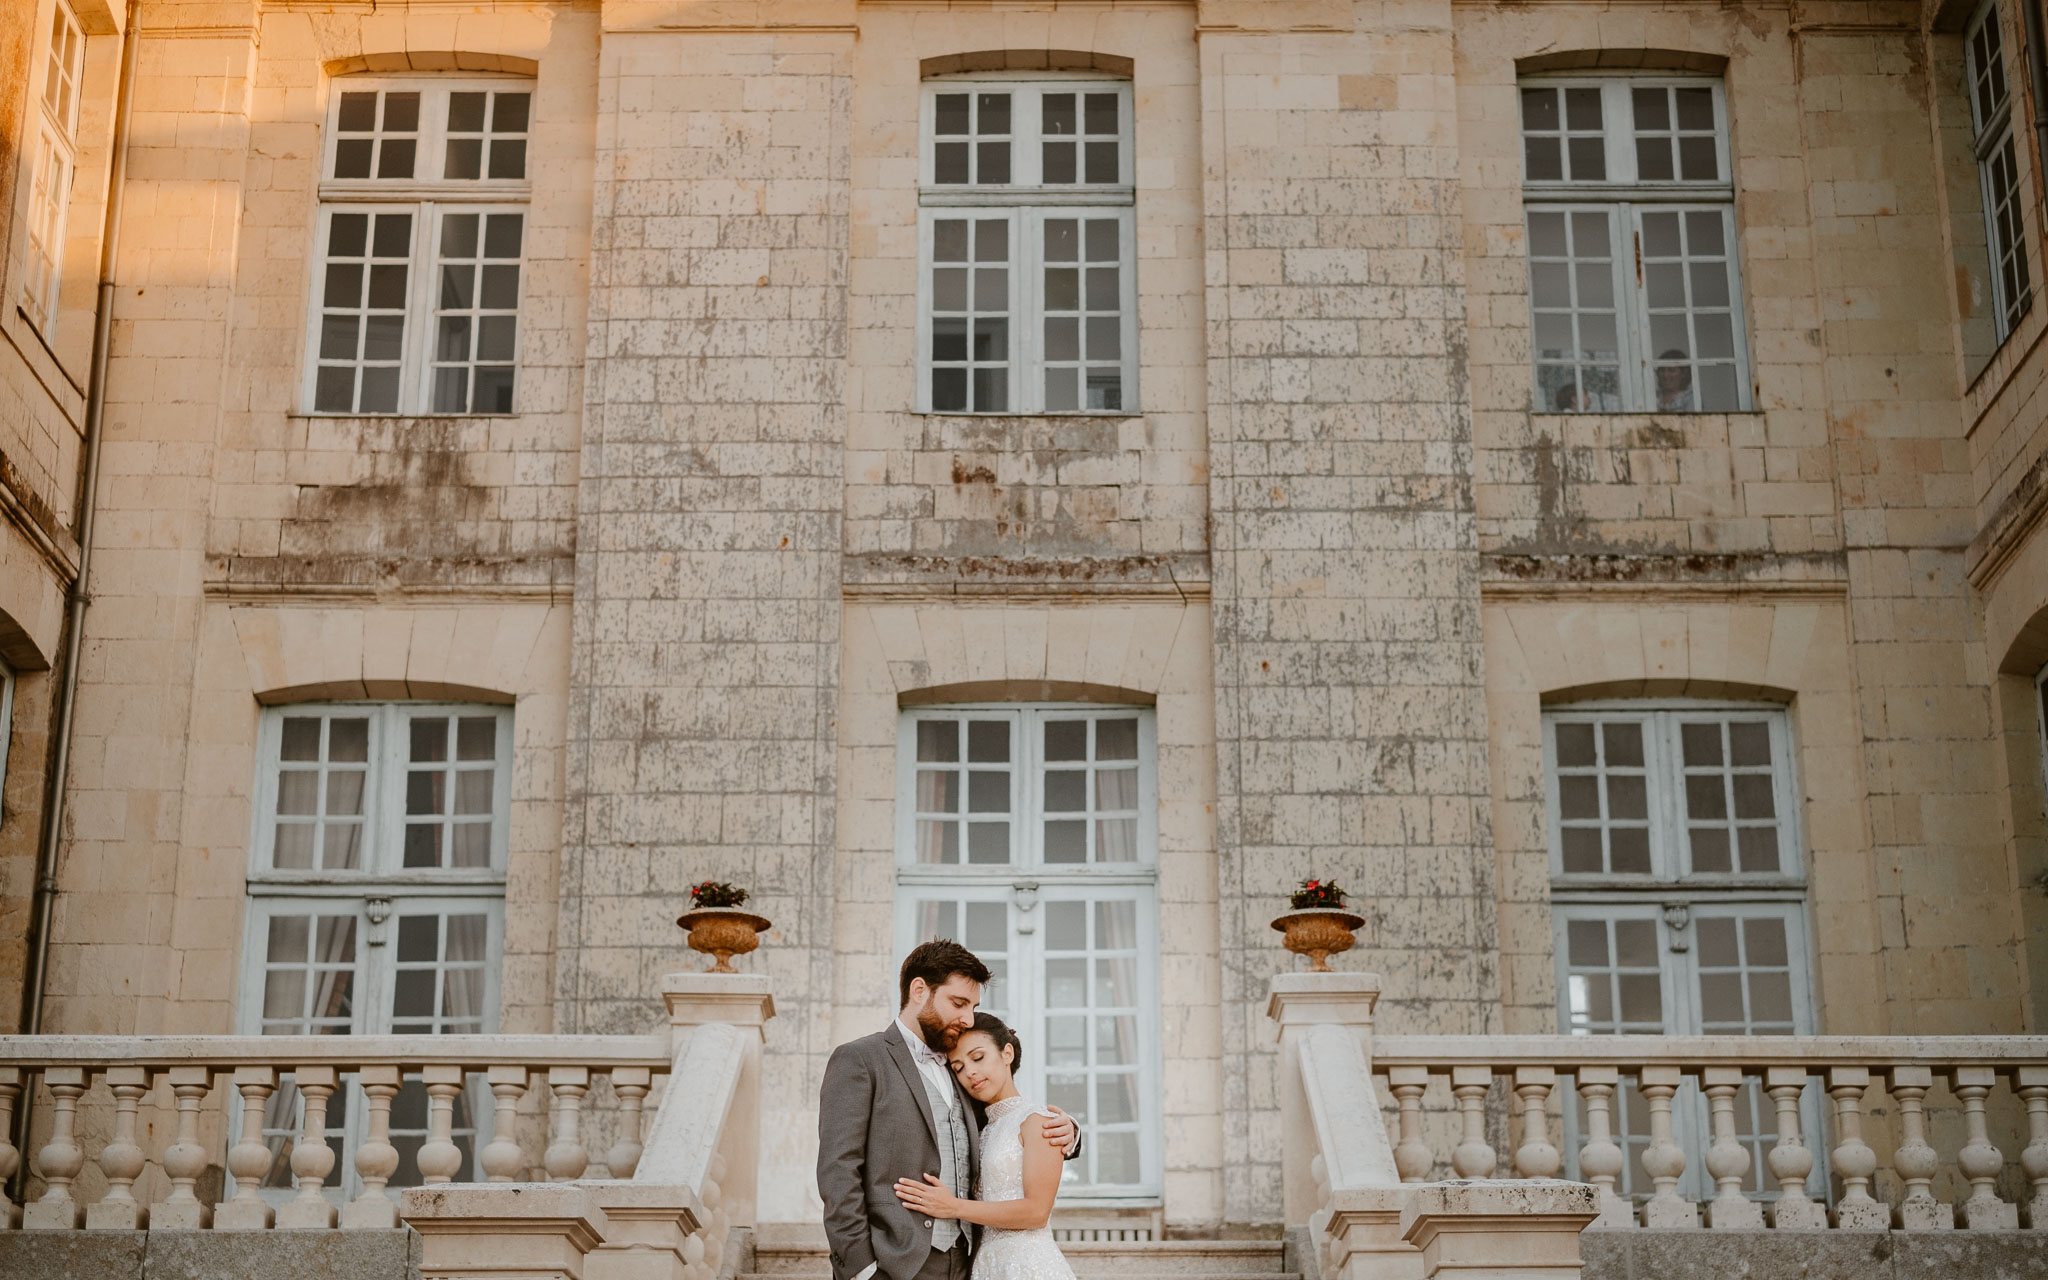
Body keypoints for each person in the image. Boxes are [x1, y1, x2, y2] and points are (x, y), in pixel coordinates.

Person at [817, 942, 1081, 1280]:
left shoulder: (959, 1069)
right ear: (919, 990)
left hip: (966, 1263)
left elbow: (1005, 1124)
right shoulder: (861, 1059)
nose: (968, 1018)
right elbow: (838, 1168)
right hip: (891, 1263)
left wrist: (1069, 1131)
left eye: (973, 1006)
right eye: (959, 1003)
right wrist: (860, 1268)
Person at [893, 1013, 1076, 1280]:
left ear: (1007, 1054)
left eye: (978, 1058)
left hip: (1029, 1267)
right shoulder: (979, 1130)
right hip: (984, 1267)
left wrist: (952, 1206)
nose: (970, 1072)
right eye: (958, 1068)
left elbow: (1036, 1212)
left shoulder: (1040, 1122)